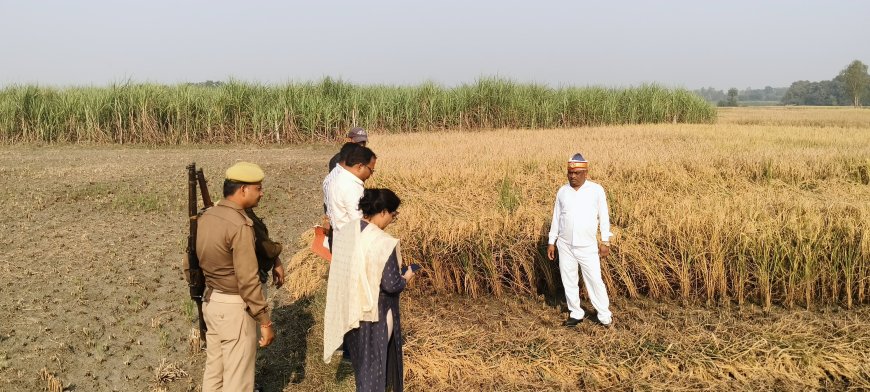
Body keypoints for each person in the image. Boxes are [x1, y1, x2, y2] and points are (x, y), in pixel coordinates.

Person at [322, 188, 415, 392]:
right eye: (393, 214)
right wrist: (406, 277)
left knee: (361, 367)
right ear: (382, 212)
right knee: (373, 371)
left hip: (350, 310)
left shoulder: (347, 232)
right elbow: (392, 285)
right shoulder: (383, 242)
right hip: (376, 314)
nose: (392, 219)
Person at [197, 162, 275, 391]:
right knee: (238, 380)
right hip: (236, 309)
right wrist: (265, 320)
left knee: (215, 373)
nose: (261, 193)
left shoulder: (205, 217)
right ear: (242, 190)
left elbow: (189, 263)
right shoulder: (240, 226)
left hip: (211, 302)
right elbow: (248, 280)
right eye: (258, 188)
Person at [546, 153, 614, 328]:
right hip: (565, 244)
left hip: (587, 246)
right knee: (568, 279)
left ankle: (604, 315)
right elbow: (556, 218)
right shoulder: (562, 191)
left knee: (594, 280)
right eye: (570, 173)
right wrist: (552, 241)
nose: (572, 176)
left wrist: (605, 240)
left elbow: (604, 216)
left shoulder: (596, 190)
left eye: (576, 173)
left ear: (586, 173)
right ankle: (576, 313)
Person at [322, 145, 377, 249]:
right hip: (352, 245)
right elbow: (358, 222)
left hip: (340, 241)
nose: (370, 175)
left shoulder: (337, 178)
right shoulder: (352, 186)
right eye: (371, 170)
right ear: (360, 166)